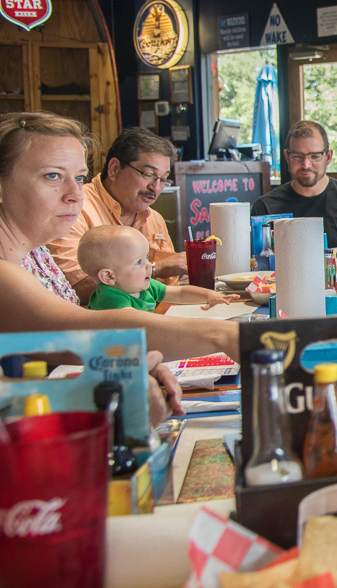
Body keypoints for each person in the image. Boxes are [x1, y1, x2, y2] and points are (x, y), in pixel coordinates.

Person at [0, 112, 239, 426]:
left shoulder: (35, 252)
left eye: (80, 177)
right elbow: (80, 329)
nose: (75, 194)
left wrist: (117, 375)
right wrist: (225, 334)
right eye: (53, 176)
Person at [48, 126, 186, 304]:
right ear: (114, 169)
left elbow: (167, 289)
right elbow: (74, 288)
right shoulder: (74, 211)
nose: (155, 188)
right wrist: (154, 269)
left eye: (163, 179)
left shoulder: (155, 219)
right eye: (148, 174)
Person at [251, 120, 337, 249]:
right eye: (297, 156)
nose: (306, 164)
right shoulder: (265, 207)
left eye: (315, 156)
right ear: (287, 157)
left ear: (328, 157)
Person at [79, 225, 239, 311]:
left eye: (146, 258)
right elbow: (142, 324)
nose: (149, 265)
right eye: (138, 262)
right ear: (109, 277)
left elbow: (179, 293)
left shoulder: (141, 286)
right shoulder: (111, 299)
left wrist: (210, 295)